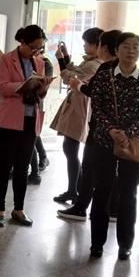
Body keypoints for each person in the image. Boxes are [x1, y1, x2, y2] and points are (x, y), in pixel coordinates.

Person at [85, 32, 139, 260]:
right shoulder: (104, 77)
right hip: (104, 140)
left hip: (132, 144)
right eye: (126, 46)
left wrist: (127, 133)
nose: (131, 51)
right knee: (101, 190)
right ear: (116, 50)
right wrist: (111, 130)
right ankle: (97, 243)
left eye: (136, 47)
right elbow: (97, 107)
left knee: (129, 193)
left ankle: (125, 244)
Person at [57, 29, 121, 221]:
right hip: (106, 125)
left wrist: (77, 85)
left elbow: (87, 87)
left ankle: (85, 206)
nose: (86, 46)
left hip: (98, 122)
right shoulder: (113, 67)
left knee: (91, 165)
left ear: (104, 47)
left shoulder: (102, 66)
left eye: (94, 43)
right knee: (102, 167)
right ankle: (104, 208)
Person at [0, 26, 52, 227]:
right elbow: (2, 87)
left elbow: (40, 94)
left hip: (30, 120)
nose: (37, 52)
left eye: (40, 48)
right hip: (8, 122)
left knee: (22, 167)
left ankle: (18, 209)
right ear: (23, 42)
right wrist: (23, 85)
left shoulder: (39, 62)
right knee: (4, 166)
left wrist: (43, 86)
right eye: (34, 47)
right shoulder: (7, 59)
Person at [50, 28, 104, 204]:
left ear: (97, 45)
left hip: (80, 108)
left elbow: (70, 77)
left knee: (71, 148)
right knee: (70, 148)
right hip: (78, 106)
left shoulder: (94, 64)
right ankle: (76, 188)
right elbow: (75, 70)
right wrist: (66, 57)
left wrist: (61, 61)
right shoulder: (92, 62)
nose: (85, 46)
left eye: (87, 43)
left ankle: (74, 190)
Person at [27, 53, 53, 186]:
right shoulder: (26, 60)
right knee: (33, 134)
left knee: (32, 135)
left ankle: (35, 172)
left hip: (35, 102)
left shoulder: (46, 63)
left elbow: (44, 87)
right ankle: (43, 158)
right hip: (25, 103)